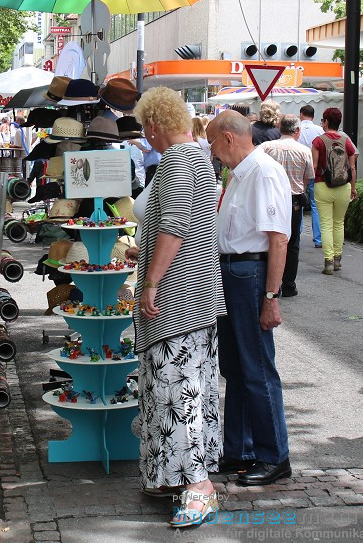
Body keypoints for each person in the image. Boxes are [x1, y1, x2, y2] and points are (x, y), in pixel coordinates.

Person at [128, 87, 223, 528]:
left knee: (177, 392)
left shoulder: (178, 161)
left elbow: (174, 225)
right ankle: (176, 477)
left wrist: (150, 281)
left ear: (152, 125)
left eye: (145, 127)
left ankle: (197, 486)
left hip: (178, 299)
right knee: (186, 389)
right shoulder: (198, 157)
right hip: (193, 295)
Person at [206, 111, 293, 486]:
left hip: (249, 274)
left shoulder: (263, 172)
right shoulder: (240, 174)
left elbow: (278, 239)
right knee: (237, 368)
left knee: (256, 367)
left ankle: (274, 455)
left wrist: (271, 296)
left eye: (211, 141)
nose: (210, 150)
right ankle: (240, 450)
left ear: (227, 138)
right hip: (233, 272)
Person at [260, 114, 315, 298]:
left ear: (279, 128)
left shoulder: (266, 147)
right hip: (293, 201)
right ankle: (289, 284)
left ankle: (268, 282)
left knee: (269, 240)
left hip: (270, 199)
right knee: (292, 243)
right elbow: (308, 177)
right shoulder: (304, 150)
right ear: (297, 130)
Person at [311, 107, 357, 275]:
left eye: (323, 120)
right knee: (339, 223)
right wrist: (353, 187)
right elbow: (352, 166)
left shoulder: (318, 141)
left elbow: (314, 166)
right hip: (343, 186)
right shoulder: (346, 141)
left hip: (323, 185)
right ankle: (338, 259)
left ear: (327, 121)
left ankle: (328, 261)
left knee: (326, 224)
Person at [296, 105, 324, 249]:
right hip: (315, 170)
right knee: (315, 204)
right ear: (313, 115)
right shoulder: (319, 130)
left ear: (301, 114)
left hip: (298, 170)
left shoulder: (297, 129)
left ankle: (297, 234)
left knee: (297, 202)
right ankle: (318, 238)